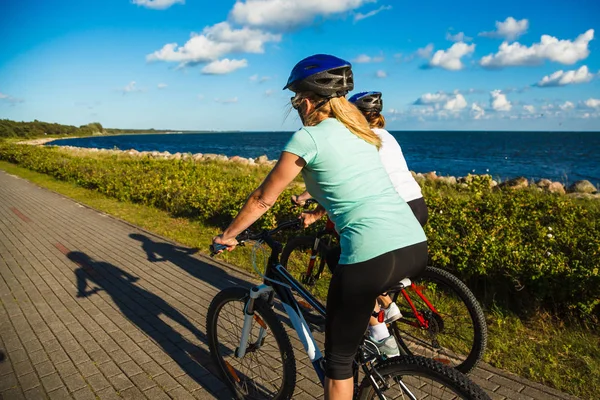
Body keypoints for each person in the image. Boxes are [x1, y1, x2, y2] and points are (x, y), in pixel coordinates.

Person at [212, 54, 427, 400]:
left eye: (295, 101)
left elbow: (262, 200)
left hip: (370, 254)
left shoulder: (307, 138)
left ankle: (365, 357)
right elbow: (346, 187)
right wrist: (315, 212)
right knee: (355, 313)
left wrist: (228, 235)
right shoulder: (361, 134)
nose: (296, 108)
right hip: (414, 244)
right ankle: (381, 347)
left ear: (307, 101)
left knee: (337, 365)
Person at [292, 90, 429, 347]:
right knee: (382, 267)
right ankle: (387, 306)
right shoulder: (387, 136)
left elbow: (346, 183)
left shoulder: (360, 138)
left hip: (391, 210)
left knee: (350, 260)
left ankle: (379, 327)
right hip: (417, 204)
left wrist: (313, 207)